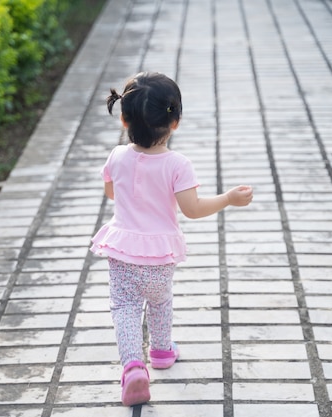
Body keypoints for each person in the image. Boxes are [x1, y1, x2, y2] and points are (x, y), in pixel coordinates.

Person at [90, 72, 253, 407]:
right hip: (160, 256)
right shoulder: (178, 164)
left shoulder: (117, 156)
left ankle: (134, 365)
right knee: (160, 301)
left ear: (124, 118)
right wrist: (228, 199)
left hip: (123, 254)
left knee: (125, 308)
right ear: (175, 122)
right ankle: (162, 351)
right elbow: (191, 209)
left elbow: (110, 191)